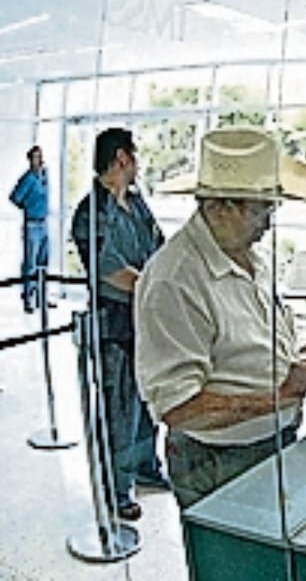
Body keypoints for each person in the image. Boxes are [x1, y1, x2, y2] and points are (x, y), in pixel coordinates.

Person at [134, 127, 306, 509]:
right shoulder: (174, 280)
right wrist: (281, 397)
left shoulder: (247, 255)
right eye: (261, 210)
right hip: (218, 461)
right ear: (219, 208)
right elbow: (179, 406)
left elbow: (251, 338)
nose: (269, 223)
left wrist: (296, 358)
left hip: (269, 443)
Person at [72, 128, 168, 521]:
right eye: (135, 155)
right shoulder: (90, 212)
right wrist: (156, 289)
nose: (139, 162)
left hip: (145, 322)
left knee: (146, 402)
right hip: (114, 327)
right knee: (119, 410)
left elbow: (159, 248)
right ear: (121, 158)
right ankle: (117, 488)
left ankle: (146, 467)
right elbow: (110, 270)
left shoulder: (136, 202)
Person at [10, 145, 49, 313]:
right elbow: (15, 197)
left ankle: (42, 298)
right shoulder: (28, 178)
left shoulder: (44, 176)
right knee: (30, 263)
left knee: (43, 262)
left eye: (40, 156)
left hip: (44, 223)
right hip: (32, 224)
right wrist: (28, 208)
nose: (38, 160)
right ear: (30, 159)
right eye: (35, 157)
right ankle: (28, 298)